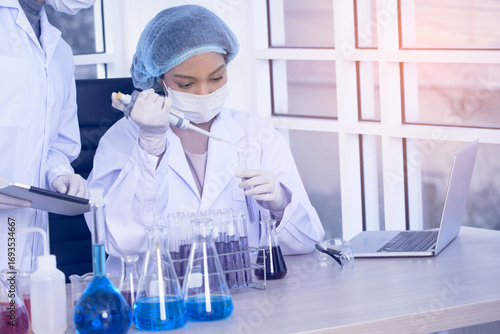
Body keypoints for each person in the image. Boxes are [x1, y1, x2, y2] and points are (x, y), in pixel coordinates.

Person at [87, 4, 325, 275]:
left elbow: (308, 241)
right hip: (155, 301)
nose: (203, 92)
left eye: (216, 77)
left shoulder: (256, 133)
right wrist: (149, 148)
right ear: (158, 78)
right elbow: (122, 243)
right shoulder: (122, 138)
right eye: (186, 84)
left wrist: (281, 204)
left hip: (243, 294)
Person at [0, 0, 94, 271]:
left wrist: (60, 173)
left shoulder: (59, 50)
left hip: (28, 239)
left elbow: (55, 143)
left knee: (17, 312)